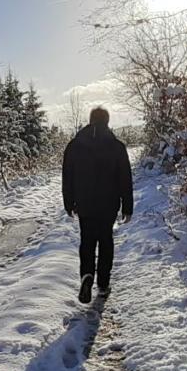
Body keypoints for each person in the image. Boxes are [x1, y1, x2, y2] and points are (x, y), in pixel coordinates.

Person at [62, 106, 134, 304]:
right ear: (107, 121)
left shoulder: (75, 145)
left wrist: (68, 201)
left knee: (87, 240)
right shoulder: (117, 146)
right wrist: (127, 206)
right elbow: (125, 179)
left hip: (84, 202)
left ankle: (87, 275)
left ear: (90, 120)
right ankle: (103, 284)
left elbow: (67, 176)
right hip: (108, 203)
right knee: (105, 240)